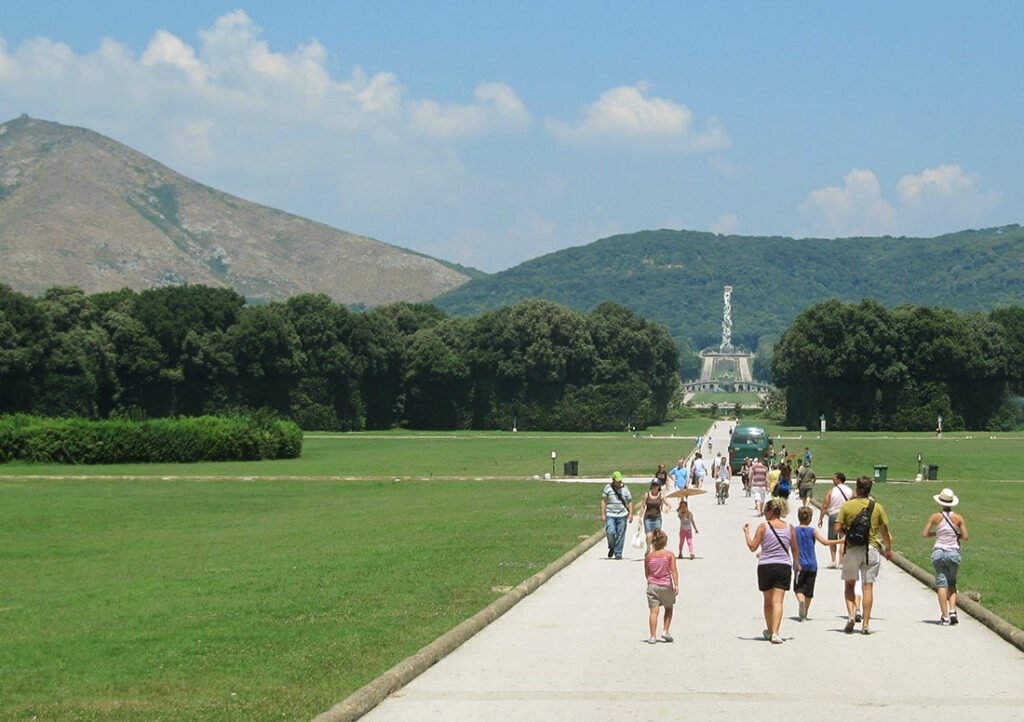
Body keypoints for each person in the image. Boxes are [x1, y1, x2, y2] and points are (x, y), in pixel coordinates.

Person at [835, 476, 894, 635]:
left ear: (857, 488)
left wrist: (848, 534)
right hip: (872, 549)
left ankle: (851, 614)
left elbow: (837, 528)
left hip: (853, 548)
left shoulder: (847, 506)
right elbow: (885, 532)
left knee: (849, 585)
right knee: (867, 587)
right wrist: (888, 549)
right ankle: (866, 623)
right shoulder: (877, 507)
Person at [743, 498, 799, 644]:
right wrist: (797, 564)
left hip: (766, 566)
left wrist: (746, 533)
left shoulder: (763, 527)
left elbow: (752, 547)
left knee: (768, 601)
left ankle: (770, 630)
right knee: (778, 601)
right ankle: (775, 632)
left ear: (771, 512)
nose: (764, 514)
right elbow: (794, 549)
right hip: (783, 566)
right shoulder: (789, 528)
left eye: (765, 511)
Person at [922, 488, 969, 625]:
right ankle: (953, 610)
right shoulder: (958, 518)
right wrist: (956, 535)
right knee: (952, 583)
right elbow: (965, 537)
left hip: (939, 552)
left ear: (941, 502)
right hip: (953, 552)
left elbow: (925, 533)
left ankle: (945, 616)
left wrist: (935, 534)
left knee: (941, 584)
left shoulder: (935, 517)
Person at [793, 506, 842, 620]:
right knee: (809, 591)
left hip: (799, 565)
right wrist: (841, 541)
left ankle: (800, 601)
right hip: (812, 565)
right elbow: (825, 542)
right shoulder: (812, 531)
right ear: (809, 518)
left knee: (798, 588)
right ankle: (805, 611)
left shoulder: (794, 531)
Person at [644, 528, 679, 643]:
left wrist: (651, 581)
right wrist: (676, 585)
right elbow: (673, 570)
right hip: (666, 585)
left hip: (652, 585)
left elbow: (647, 573)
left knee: (654, 611)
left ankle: (652, 636)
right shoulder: (669, 555)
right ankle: (665, 630)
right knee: (669, 608)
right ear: (665, 542)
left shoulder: (649, 557)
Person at [818, 472, 854, 568]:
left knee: (832, 538)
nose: (832, 480)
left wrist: (821, 518)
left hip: (834, 515)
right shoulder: (850, 491)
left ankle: (833, 560)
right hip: (846, 516)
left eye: (834, 478)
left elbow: (825, 506)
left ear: (839, 479)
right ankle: (841, 562)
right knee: (843, 539)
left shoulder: (831, 491)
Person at [601, 471, 634, 560]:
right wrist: (603, 514)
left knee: (620, 534)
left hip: (622, 514)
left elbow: (629, 501)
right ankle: (612, 546)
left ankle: (618, 553)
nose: (619, 483)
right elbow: (603, 501)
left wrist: (631, 513)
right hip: (610, 514)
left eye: (620, 481)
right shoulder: (608, 488)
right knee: (610, 531)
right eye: (617, 481)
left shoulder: (625, 489)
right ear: (613, 480)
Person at [640, 481, 670, 553]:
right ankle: (648, 547)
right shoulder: (647, 495)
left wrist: (667, 508)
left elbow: (668, 504)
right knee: (648, 535)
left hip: (657, 518)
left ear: (659, 487)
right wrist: (640, 518)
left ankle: (655, 549)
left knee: (657, 535)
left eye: (656, 485)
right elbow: (642, 507)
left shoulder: (661, 495)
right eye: (653, 485)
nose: (654, 487)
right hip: (648, 518)